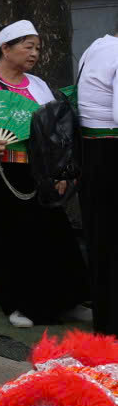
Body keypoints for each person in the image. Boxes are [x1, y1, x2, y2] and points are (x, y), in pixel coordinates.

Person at [0, 21, 87, 328]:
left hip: (34, 170)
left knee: (52, 230)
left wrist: (58, 170)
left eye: (37, 48)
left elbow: (54, 133)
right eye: (28, 46)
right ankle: (18, 305)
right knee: (6, 235)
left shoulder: (38, 86)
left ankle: (67, 299)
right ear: (6, 48)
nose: (34, 53)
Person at [77, 28, 118, 336]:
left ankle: (106, 321)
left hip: (92, 152)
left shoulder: (98, 45)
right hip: (111, 153)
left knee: (102, 238)